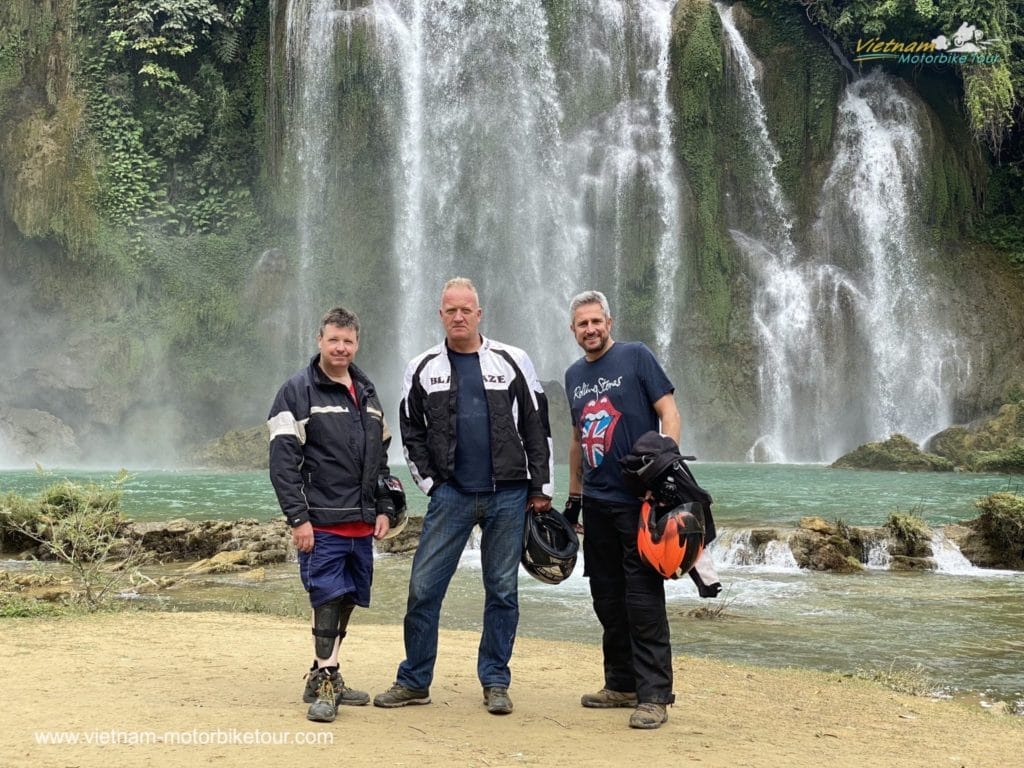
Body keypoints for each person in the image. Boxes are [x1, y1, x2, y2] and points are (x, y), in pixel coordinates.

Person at [373, 277, 553, 715]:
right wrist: (431, 486)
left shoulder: (513, 360)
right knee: (422, 588)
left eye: (465, 309)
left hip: (508, 496)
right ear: (440, 315)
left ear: (479, 313)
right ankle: (415, 680)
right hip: (450, 495)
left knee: (502, 590)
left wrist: (541, 488)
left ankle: (495, 681)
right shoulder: (421, 367)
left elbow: (536, 425)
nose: (458, 316)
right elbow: (410, 432)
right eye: (450, 310)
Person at [267, 306, 399, 723]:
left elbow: (381, 461)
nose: (340, 347)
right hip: (321, 521)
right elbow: (282, 463)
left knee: (347, 598)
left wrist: (384, 508)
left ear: (357, 344)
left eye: (348, 341)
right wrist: (297, 519)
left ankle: (322, 672)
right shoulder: (297, 390)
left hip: (361, 520)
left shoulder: (369, 393)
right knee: (326, 594)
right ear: (319, 340)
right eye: (333, 339)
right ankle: (327, 678)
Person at [562, 289, 681, 730]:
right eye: (582, 324)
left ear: (609, 323)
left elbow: (669, 412)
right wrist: (573, 499)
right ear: (573, 331)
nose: (590, 329)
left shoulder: (636, 356)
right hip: (596, 504)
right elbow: (576, 440)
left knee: (642, 597)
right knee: (607, 596)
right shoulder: (574, 374)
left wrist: (663, 471)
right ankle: (621, 682)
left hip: (639, 501)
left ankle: (654, 696)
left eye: (596, 321)